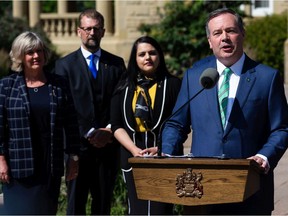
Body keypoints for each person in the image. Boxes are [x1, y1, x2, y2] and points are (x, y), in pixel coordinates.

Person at [149, 8, 288, 215]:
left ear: (242, 34)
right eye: (217, 33)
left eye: (230, 30)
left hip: (250, 190)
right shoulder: (195, 76)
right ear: (209, 41)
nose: (224, 38)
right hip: (201, 191)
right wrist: (166, 152)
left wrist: (264, 156)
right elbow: (176, 123)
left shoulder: (267, 78)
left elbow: (282, 128)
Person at [54, 9, 126, 215]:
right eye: (87, 29)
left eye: (96, 29)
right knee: (75, 204)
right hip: (78, 150)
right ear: (79, 31)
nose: (91, 33)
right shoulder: (64, 66)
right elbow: (64, 107)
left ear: (103, 31)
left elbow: (120, 102)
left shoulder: (116, 64)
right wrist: (90, 133)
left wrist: (109, 130)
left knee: (102, 205)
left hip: (108, 148)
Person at [0, 31, 80, 215]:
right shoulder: (6, 86)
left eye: (39, 51)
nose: (36, 56)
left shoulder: (59, 84)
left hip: (49, 166)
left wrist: (74, 158)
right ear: (20, 56)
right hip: (17, 167)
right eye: (30, 52)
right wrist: (1, 158)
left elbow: (71, 125)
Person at [110, 36, 182, 215]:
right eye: (142, 54)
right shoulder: (123, 87)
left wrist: (162, 148)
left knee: (161, 208)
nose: (147, 58)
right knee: (137, 208)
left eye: (152, 53)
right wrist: (134, 150)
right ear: (135, 59)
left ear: (160, 56)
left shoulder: (173, 85)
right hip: (132, 154)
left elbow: (181, 122)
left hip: (163, 154)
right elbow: (117, 125)